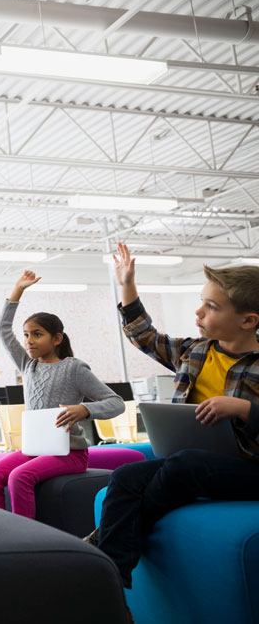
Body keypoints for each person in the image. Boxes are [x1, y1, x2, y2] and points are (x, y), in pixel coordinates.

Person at [88, 243, 259, 599]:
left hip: (249, 467)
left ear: (248, 321)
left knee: (183, 464)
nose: (199, 312)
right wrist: (127, 285)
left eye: (211, 307)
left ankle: (104, 540)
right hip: (196, 461)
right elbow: (144, 336)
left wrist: (244, 410)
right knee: (125, 476)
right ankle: (109, 580)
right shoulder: (195, 351)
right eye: (202, 301)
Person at [0, 270, 124, 518]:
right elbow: (3, 328)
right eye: (26, 335)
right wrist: (18, 290)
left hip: (70, 453)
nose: (29, 341)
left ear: (56, 338)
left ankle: (29, 539)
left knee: (19, 477)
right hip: (35, 448)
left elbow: (117, 403)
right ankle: (1, 534)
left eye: (37, 334)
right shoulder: (28, 366)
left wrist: (85, 410)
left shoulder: (74, 368)